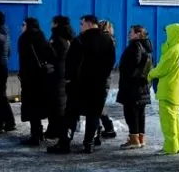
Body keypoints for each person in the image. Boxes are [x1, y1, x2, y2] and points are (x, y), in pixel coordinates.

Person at [70, 15, 117, 155]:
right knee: (94, 114)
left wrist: (72, 78)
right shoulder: (107, 40)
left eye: (81, 23)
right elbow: (111, 62)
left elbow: (73, 62)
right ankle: (89, 142)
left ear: (89, 24)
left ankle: (67, 140)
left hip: (82, 83)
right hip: (100, 83)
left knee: (74, 111)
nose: (80, 26)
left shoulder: (80, 40)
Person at [151, 23, 179, 156]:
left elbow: (162, 69)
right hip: (176, 89)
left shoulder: (172, 51)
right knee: (175, 118)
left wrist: (150, 74)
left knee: (167, 121)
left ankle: (170, 146)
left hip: (168, 88)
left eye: (167, 33)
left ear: (173, 34)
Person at [15, 17, 53, 146]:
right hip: (42, 77)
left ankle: (35, 135)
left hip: (29, 78)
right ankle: (39, 132)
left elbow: (24, 60)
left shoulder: (24, 39)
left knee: (31, 107)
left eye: (23, 24)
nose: (22, 27)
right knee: (38, 105)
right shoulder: (42, 37)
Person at [117, 24, 154, 149]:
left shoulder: (135, 46)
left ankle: (134, 139)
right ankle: (140, 138)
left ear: (138, 34)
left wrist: (128, 75)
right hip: (143, 85)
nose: (129, 34)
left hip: (132, 86)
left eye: (131, 32)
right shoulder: (146, 46)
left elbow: (134, 64)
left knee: (131, 112)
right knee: (140, 113)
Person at [45, 16, 76, 154]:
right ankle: (56, 132)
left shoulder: (57, 39)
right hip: (65, 75)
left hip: (57, 75)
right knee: (60, 104)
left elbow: (52, 55)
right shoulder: (70, 38)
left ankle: (59, 134)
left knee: (57, 105)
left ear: (56, 24)